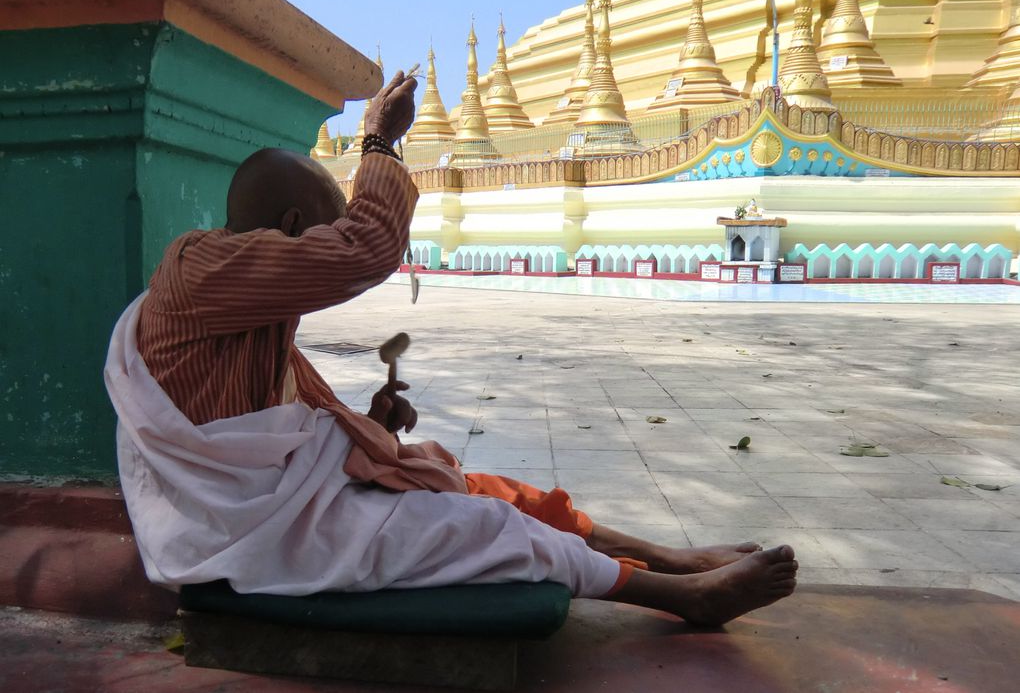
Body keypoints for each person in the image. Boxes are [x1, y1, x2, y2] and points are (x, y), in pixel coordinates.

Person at [105, 70, 797, 626]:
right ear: (290, 225)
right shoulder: (197, 268)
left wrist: (371, 423)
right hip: (247, 536)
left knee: (485, 487)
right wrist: (377, 143)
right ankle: (684, 599)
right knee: (490, 525)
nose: (328, 244)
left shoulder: (244, 304)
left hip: (286, 511)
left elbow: (296, 424)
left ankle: (669, 559)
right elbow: (367, 247)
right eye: (322, 228)